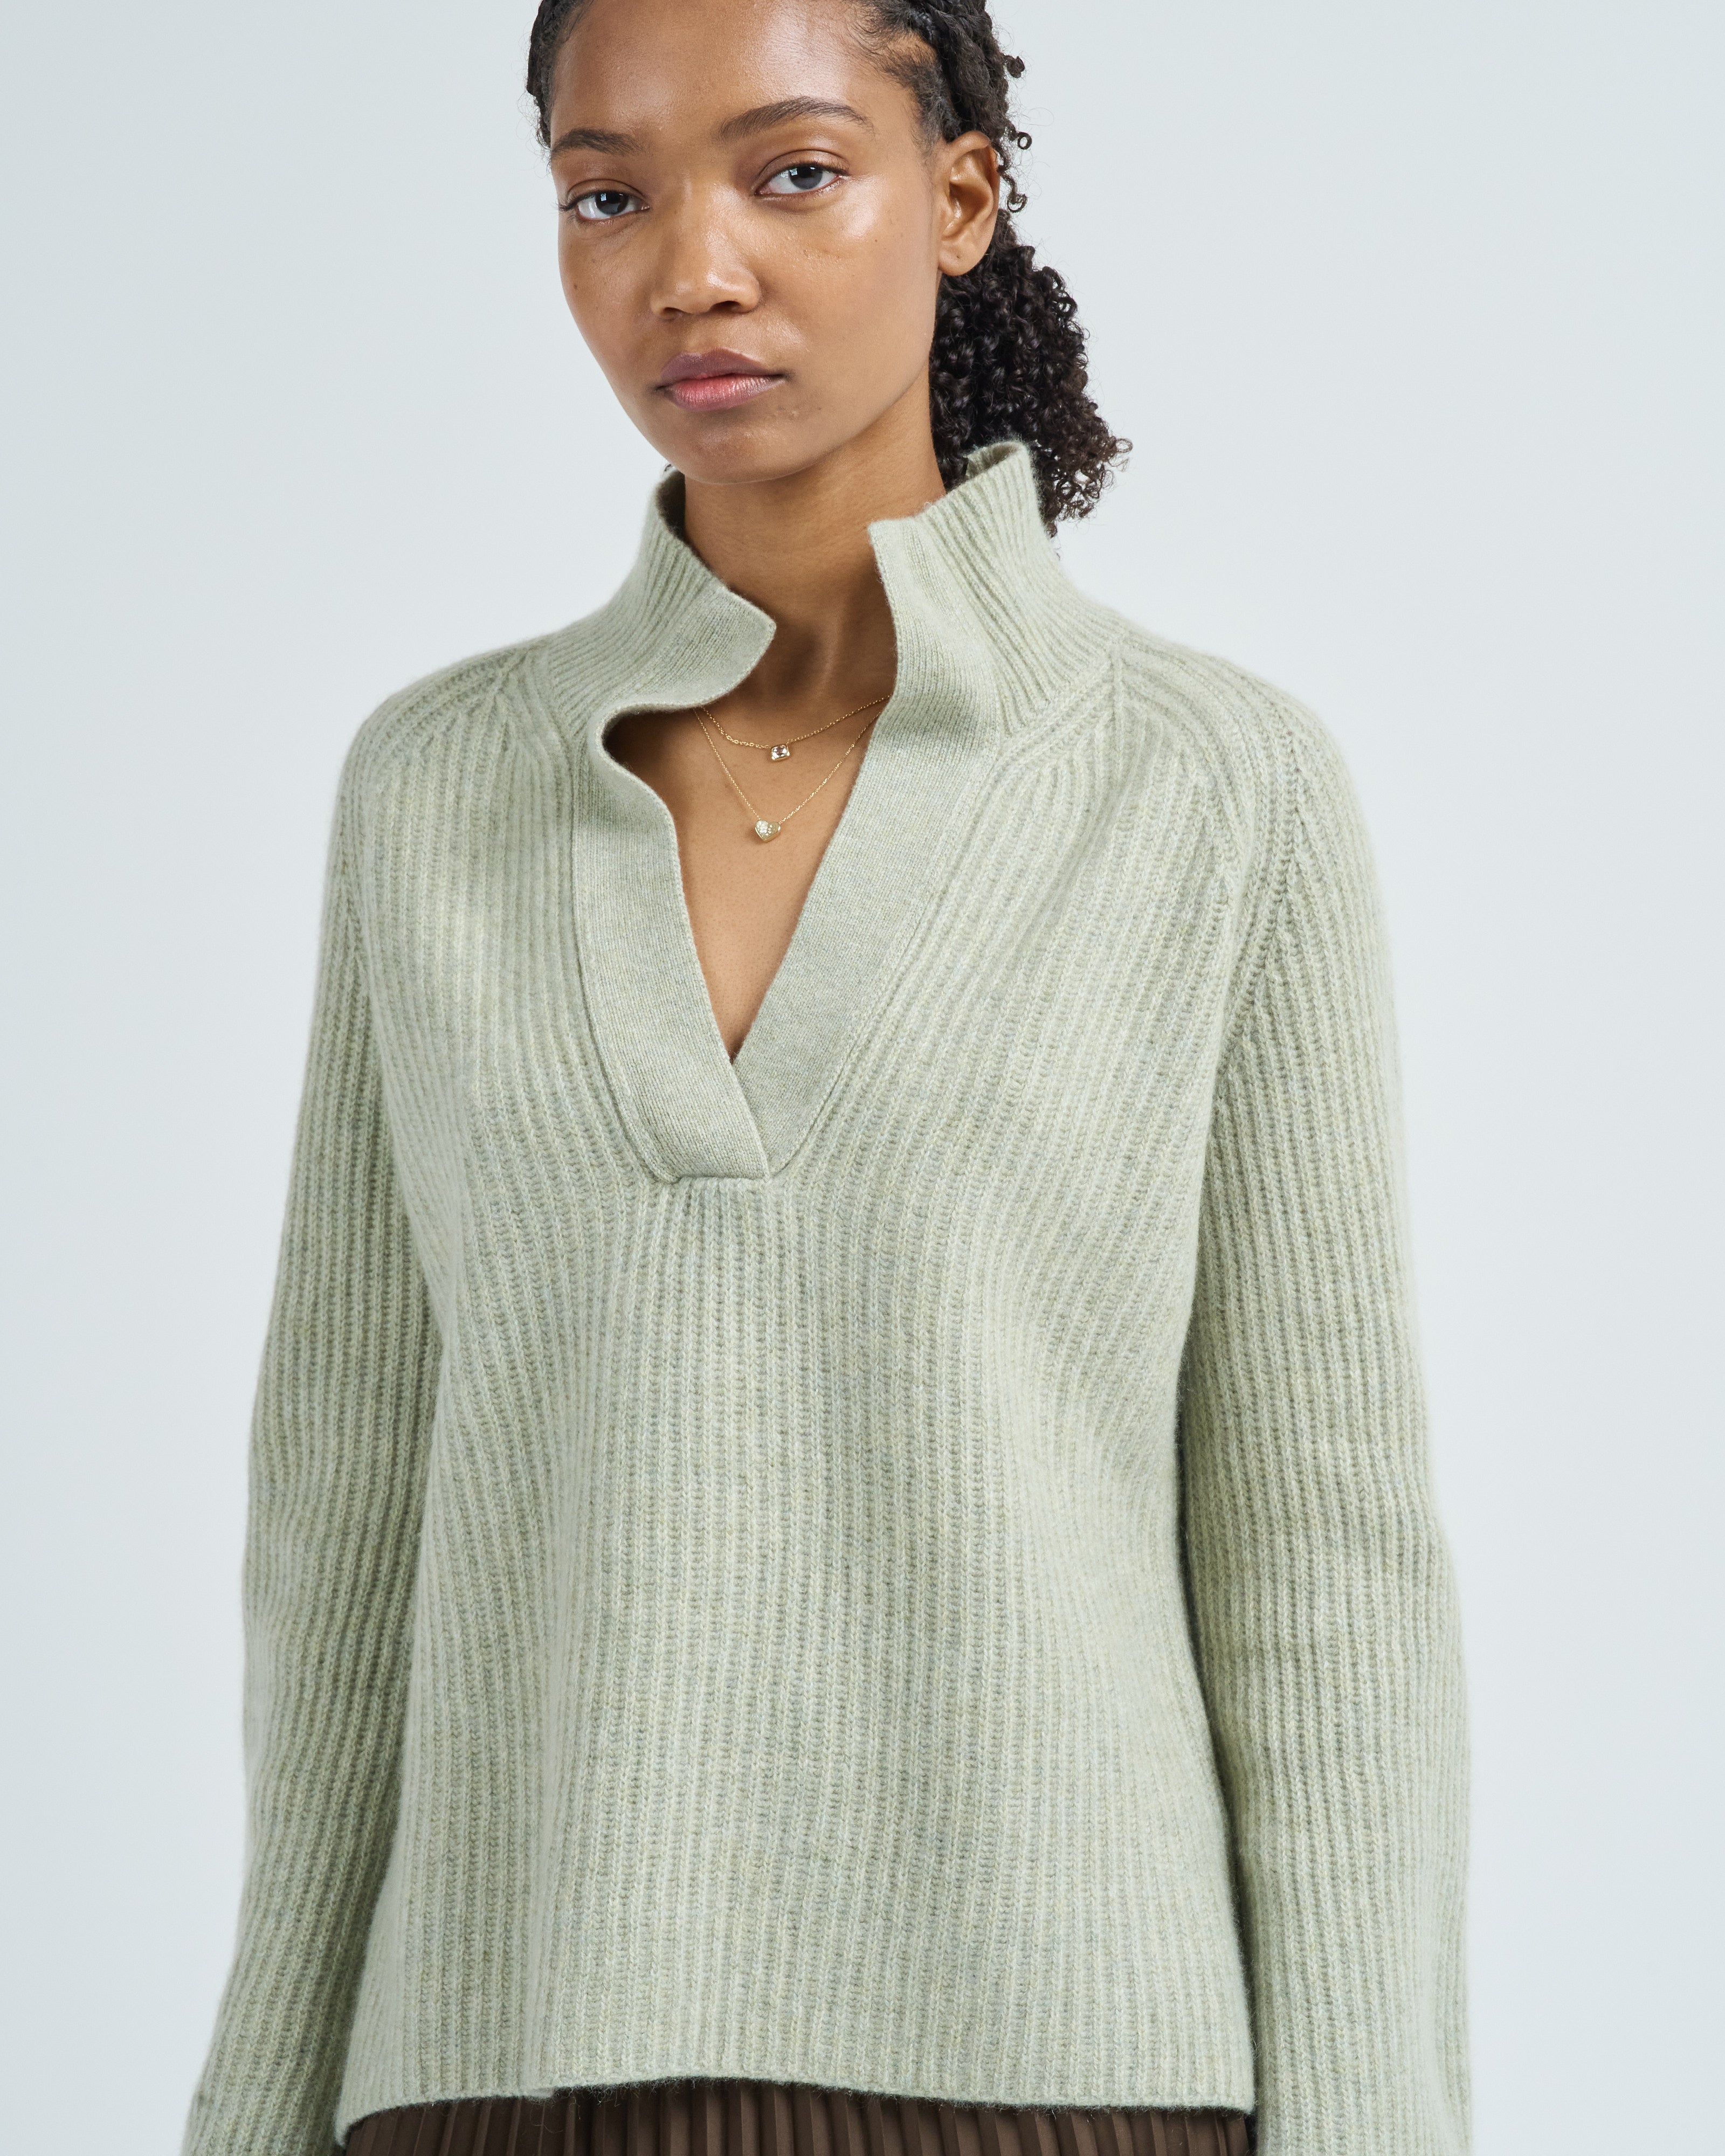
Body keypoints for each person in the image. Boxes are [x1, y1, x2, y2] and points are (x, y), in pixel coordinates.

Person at [180, 3, 1472, 2154]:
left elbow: (1323, 1563)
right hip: (494, 2078)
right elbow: (340, 1538)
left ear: (958, 195)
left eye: (793, 172)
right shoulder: (436, 793)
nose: (692, 269)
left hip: (1069, 2088)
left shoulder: (1212, 791)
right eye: (608, 194)